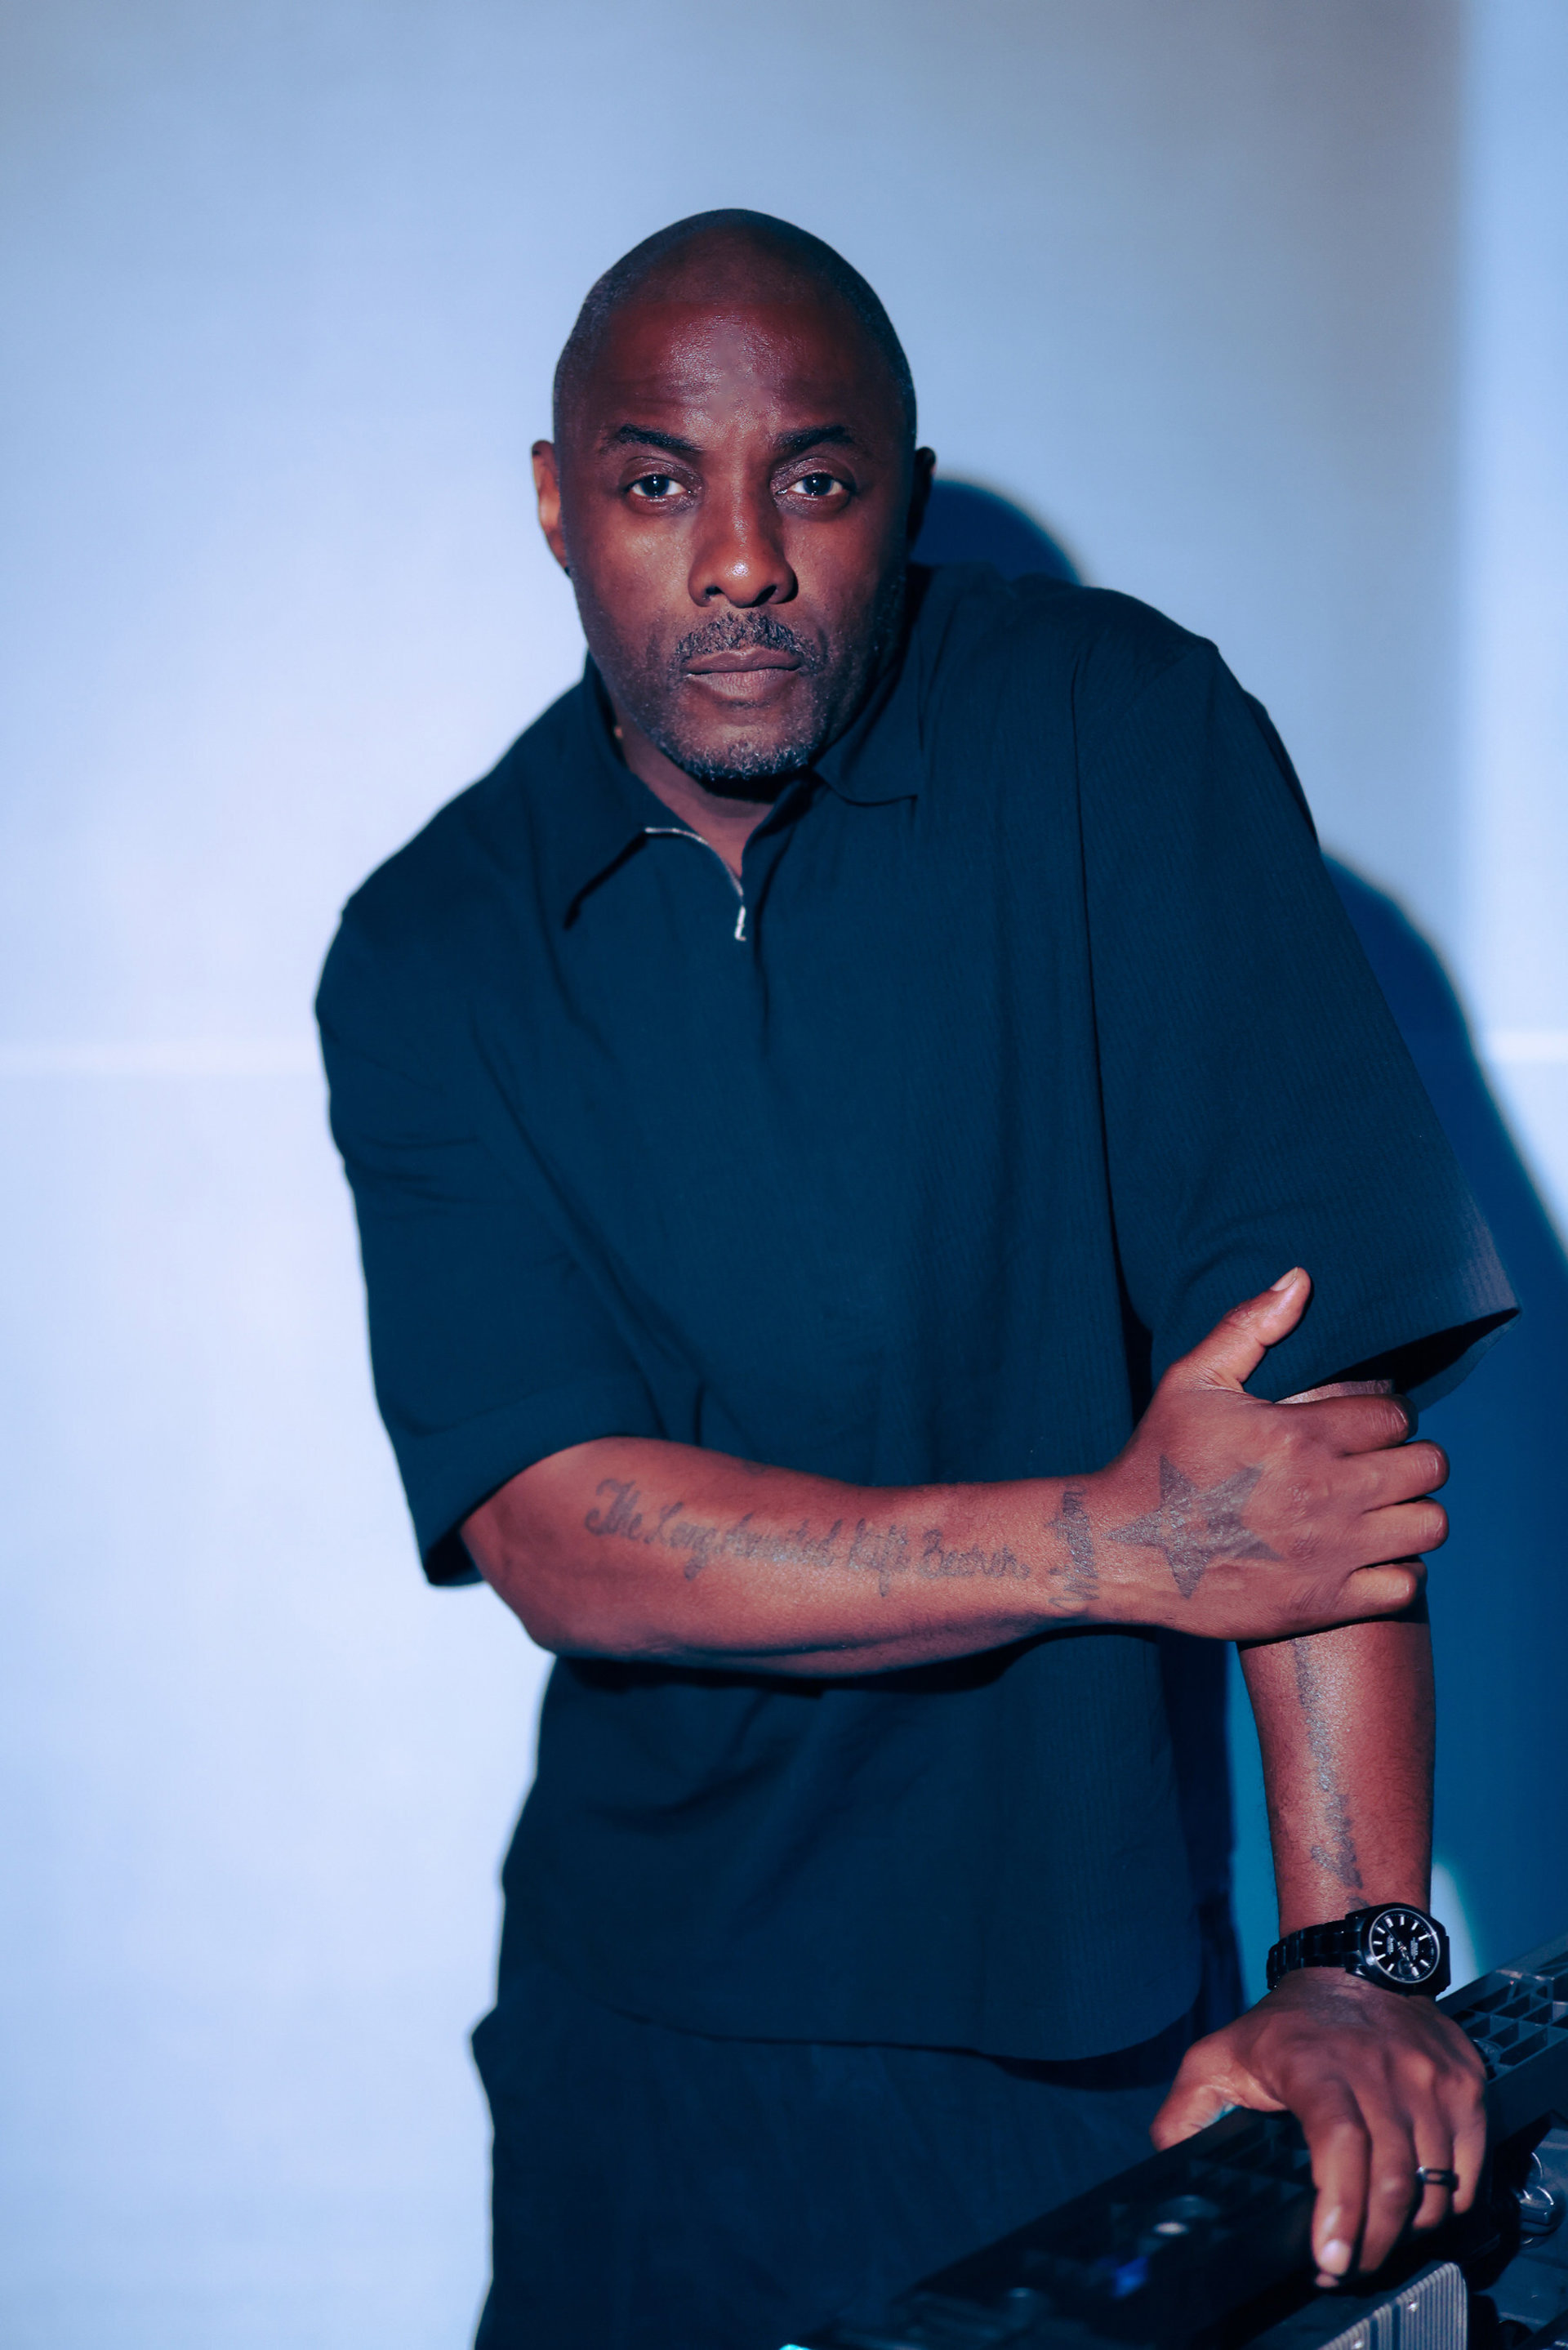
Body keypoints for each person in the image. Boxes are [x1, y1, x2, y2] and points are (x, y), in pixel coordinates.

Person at [316, 211, 1517, 2350]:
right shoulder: (430, 945)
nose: (743, 558)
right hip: (635, 2051)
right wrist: (1115, 1544)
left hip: (1084, 2051)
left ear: (910, 497)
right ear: (560, 503)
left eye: (817, 478)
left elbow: (1302, 1426)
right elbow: (565, 1535)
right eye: (660, 480)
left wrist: (1353, 1965)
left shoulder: (1121, 742)